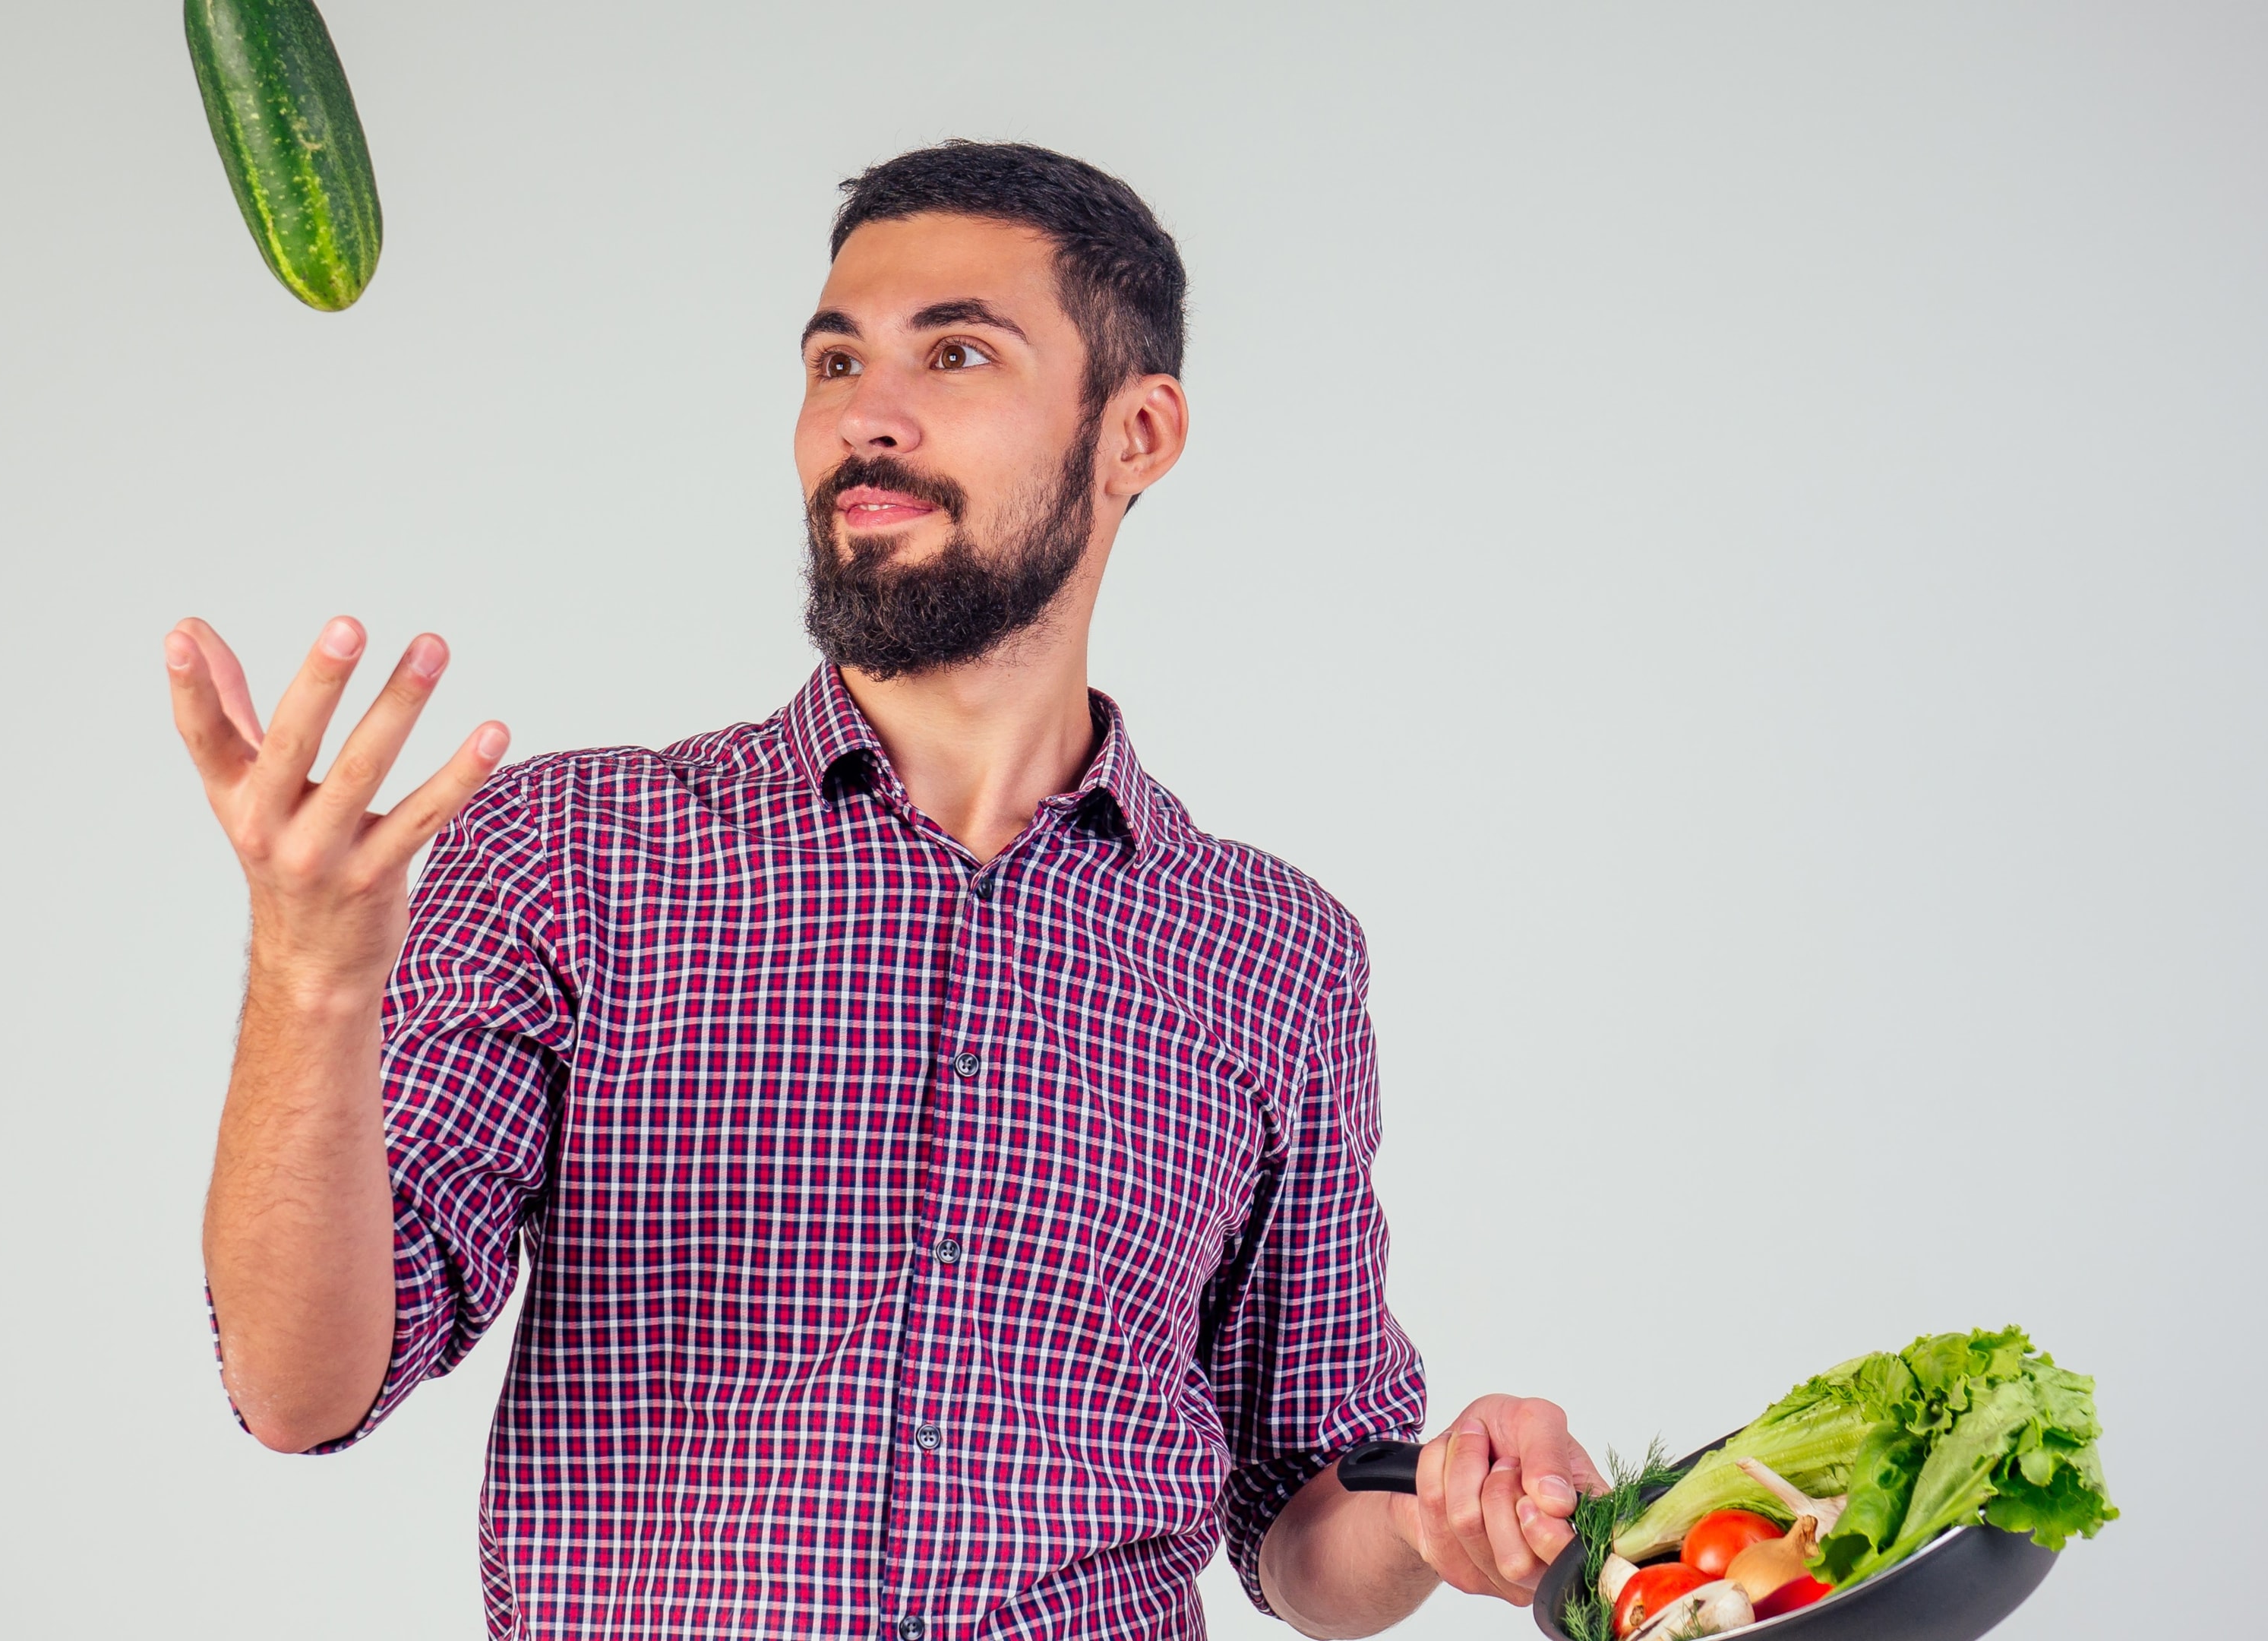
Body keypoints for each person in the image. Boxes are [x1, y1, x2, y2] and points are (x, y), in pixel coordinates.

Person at [163, 140, 1603, 1639]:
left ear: (1138, 433)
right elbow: (299, 1386)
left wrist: (1441, 1517)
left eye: (958, 352)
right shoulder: (574, 852)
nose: (869, 416)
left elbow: (1309, 1527)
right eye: (834, 360)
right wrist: (309, 976)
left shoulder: (1272, 949)